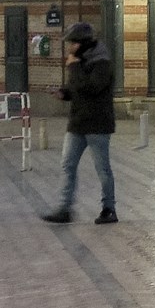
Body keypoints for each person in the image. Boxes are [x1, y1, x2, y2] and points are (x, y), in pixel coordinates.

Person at [46, 21, 117, 225]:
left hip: (97, 125)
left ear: (84, 43)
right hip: (77, 123)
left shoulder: (102, 62)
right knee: (67, 165)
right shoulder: (81, 61)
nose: (70, 48)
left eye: (73, 44)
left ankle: (109, 209)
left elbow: (92, 88)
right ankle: (64, 209)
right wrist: (64, 93)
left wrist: (74, 66)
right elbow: (76, 88)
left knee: (102, 169)